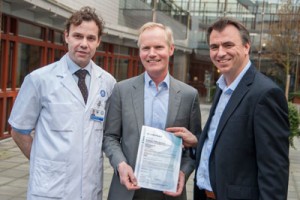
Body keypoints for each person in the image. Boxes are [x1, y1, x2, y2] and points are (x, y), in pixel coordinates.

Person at [8, 6, 116, 200]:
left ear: (98, 41)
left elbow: (110, 133)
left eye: (91, 38)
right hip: (50, 189)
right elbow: (18, 131)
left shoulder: (108, 83)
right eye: (77, 36)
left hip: (89, 189)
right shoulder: (39, 80)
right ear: (66, 36)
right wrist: (43, 163)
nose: (84, 44)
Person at [103, 22, 201, 200]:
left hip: (169, 193)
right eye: (146, 48)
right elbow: (110, 136)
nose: (152, 54)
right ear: (139, 51)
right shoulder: (122, 90)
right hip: (127, 190)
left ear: (171, 49)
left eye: (158, 47)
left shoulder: (189, 95)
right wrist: (120, 164)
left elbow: (194, 146)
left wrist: (183, 173)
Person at [194, 17, 290, 200]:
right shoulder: (223, 88)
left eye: (228, 45)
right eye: (214, 47)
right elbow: (227, 139)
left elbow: (274, 173)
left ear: (246, 47)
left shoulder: (265, 94)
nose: (220, 53)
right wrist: (199, 141)